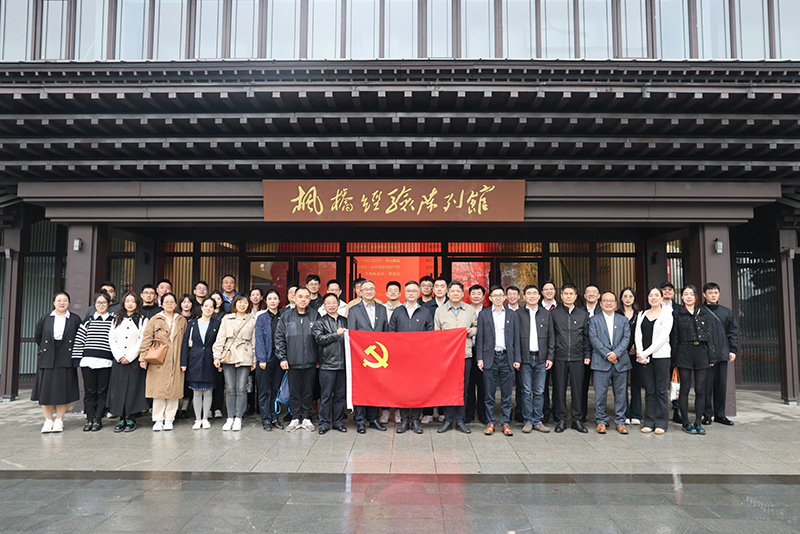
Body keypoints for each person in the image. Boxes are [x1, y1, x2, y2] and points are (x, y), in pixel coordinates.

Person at [32, 292, 83, 433]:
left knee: (62, 390)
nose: (62, 303)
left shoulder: (74, 319)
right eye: (59, 300)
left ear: (69, 303)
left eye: (65, 300)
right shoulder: (45, 318)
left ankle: (59, 420)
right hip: (48, 356)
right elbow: (38, 336)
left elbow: (80, 338)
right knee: (46, 391)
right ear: (54, 302)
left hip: (66, 356)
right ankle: (48, 420)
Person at [389, 281, 434, 434]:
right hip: (400, 358)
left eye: (414, 291)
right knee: (402, 390)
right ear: (404, 293)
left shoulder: (425, 312)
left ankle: (415, 420)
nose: (411, 293)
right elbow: (391, 333)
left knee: (417, 389)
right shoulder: (397, 311)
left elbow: (430, 334)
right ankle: (404, 420)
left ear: (418, 292)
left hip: (419, 358)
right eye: (408, 290)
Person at [671, 285, 716, 435]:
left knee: (700, 389)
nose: (689, 296)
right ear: (682, 297)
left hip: (701, 351)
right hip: (684, 351)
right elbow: (674, 337)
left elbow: (709, 336)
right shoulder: (677, 313)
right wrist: (674, 358)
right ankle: (685, 422)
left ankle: (698, 422)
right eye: (686, 294)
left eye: (691, 294)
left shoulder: (703, 312)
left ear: (696, 297)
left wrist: (711, 355)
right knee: (684, 388)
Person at [434, 281, 478, 434]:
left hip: (465, 355)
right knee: (446, 388)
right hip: (446, 357)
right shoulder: (440, 311)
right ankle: (447, 420)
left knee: (463, 388)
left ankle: (460, 420)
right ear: (448, 293)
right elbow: (436, 333)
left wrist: (469, 332)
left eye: (458, 291)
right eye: (452, 291)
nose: (455, 294)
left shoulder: (470, 310)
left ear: (462, 293)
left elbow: (476, 327)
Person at [139, 293, 187, 431]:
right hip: (159, 359)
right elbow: (147, 338)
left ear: (176, 304)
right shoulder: (155, 319)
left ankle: (169, 419)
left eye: (172, 302)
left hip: (175, 359)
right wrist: (143, 357)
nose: (169, 304)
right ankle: (158, 419)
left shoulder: (181, 320)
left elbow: (184, 342)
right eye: (167, 302)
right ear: (162, 304)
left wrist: (183, 361)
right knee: (158, 390)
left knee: (173, 390)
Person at [477, 285, 521, 436]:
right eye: (494, 295)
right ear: (490, 298)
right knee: (489, 394)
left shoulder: (512, 315)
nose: (497, 298)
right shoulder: (484, 314)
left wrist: (517, 358)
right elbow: (480, 337)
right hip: (490, 358)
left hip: (507, 358)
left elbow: (516, 339)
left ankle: (505, 423)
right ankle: (490, 422)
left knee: (507, 394)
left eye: (500, 295)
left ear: (504, 298)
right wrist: (480, 358)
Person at [347, 279, 389, 433]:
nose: (369, 292)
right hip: (361, 357)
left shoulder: (382, 309)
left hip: (378, 357)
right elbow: (351, 333)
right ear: (360, 292)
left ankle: (374, 419)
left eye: (372, 289)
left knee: (376, 388)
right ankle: (360, 421)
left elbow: (385, 332)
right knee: (361, 388)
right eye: (366, 289)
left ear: (375, 291)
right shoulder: (353, 310)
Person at [275, 286, 319, 432]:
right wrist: (282, 358)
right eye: (300, 296)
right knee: (294, 392)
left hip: (310, 361)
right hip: (292, 361)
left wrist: (319, 358)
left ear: (309, 299)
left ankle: (306, 418)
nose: (303, 299)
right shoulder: (286, 316)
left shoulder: (315, 315)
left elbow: (320, 338)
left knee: (308, 391)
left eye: (306, 297)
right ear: (294, 298)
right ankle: (294, 418)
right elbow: (279, 338)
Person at [550, 283, 591, 433]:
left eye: (571, 294)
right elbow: (551, 336)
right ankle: (561, 419)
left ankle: (577, 420)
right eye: (565, 294)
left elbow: (586, 337)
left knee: (578, 390)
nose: (568, 296)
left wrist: (587, 354)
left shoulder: (582, 314)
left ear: (575, 296)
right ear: (561, 296)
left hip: (577, 357)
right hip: (559, 357)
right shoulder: (554, 314)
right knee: (559, 389)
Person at [589, 291, 632, 435]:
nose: (608, 303)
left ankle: (620, 422)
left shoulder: (623, 320)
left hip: (620, 362)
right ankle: (601, 421)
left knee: (621, 394)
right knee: (600, 394)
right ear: (600, 303)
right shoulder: (594, 320)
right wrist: (608, 354)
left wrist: (616, 354)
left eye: (611, 301)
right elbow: (594, 339)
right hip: (601, 362)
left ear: (615, 303)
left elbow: (626, 338)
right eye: (605, 301)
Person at [73, 292, 116, 432]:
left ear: (109, 304)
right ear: (94, 304)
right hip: (88, 361)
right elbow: (79, 341)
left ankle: (98, 419)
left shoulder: (114, 320)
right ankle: (89, 419)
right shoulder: (88, 320)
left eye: (104, 302)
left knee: (102, 392)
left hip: (106, 361)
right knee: (89, 392)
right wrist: (77, 359)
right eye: (98, 303)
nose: (101, 305)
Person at [212, 294, 256, 431]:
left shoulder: (251, 320)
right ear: (234, 304)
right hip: (229, 356)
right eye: (239, 302)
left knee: (241, 389)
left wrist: (254, 360)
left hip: (245, 356)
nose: (242, 305)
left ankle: (238, 418)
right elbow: (220, 339)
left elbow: (254, 342)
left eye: (245, 302)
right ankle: (230, 417)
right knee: (230, 389)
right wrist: (217, 356)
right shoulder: (226, 318)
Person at [107, 291, 149, 433]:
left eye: (133, 301)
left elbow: (142, 340)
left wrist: (130, 356)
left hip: (134, 360)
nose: (130, 304)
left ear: (137, 303)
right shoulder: (116, 319)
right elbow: (112, 338)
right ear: (123, 303)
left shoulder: (142, 320)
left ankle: (131, 418)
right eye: (127, 301)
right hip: (119, 360)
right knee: (119, 390)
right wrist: (119, 356)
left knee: (133, 389)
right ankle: (121, 418)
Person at [516, 284, 554, 433]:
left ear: (539, 296)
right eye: (529, 293)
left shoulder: (546, 314)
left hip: (541, 358)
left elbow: (551, 338)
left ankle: (538, 420)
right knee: (526, 391)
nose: (532, 296)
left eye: (534, 293)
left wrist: (550, 357)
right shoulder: (518, 314)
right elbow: (514, 339)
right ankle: (527, 420)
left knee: (539, 391)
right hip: (525, 358)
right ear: (523, 297)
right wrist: (517, 358)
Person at [634, 287, 673, 434]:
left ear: (662, 297)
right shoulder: (642, 314)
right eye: (651, 295)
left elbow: (662, 339)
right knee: (649, 390)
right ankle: (649, 421)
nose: (654, 298)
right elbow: (638, 335)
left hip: (661, 357)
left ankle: (661, 423)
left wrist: (644, 353)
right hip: (644, 358)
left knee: (661, 390)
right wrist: (640, 354)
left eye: (657, 295)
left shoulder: (667, 315)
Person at [702, 282, 739, 427]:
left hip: (722, 353)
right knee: (706, 386)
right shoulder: (700, 312)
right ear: (704, 294)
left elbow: (733, 332)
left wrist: (733, 350)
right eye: (710, 292)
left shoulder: (727, 312)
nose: (713, 295)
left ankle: (720, 414)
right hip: (705, 355)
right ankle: (706, 415)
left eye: (715, 292)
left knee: (721, 385)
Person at [181, 297, 220, 430]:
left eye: (211, 307)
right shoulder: (192, 323)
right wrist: (183, 362)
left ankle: (205, 419)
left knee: (208, 391)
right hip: (194, 360)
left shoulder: (217, 324)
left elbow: (219, 343)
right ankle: (198, 419)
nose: (208, 309)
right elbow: (185, 343)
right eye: (206, 306)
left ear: (214, 309)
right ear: (201, 307)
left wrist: (219, 360)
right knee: (196, 392)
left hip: (210, 360)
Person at [313, 293, 349, 434]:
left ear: (338, 304)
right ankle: (324, 423)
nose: (332, 305)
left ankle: (338, 422)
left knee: (340, 396)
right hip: (327, 365)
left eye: (334, 302)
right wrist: (336, 334)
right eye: (328, 303)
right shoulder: (320, 322)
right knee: (326, 396)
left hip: (343, 365)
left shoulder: (345, 321)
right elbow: (319, 339)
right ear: (324, 305)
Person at [254, 289, 285, 431]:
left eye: (275, 298)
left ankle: (274, 418)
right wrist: (262, 358)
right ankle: (265, 419)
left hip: (280, 358)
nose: (273, 301)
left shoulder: (284, 316)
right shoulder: (261, 317)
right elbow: (259, 339)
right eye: (270, 299)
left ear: (279, 300)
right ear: (265, 301)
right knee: (264, 391)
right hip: (265, 358)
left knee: (275, 390)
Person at [618, 287, 642, 425]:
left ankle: (636, 414)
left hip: (635, 352)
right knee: (621, 385)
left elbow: (642, 333)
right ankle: (625, 414)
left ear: (634, 298)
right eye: (625, 296)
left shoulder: (640, 315)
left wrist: (635, 346)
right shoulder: (616, 314)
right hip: (620, 353)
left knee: (636, 383)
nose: (628, 299)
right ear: (621, 298)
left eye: (630, 296)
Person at [465, 284, 487, 425]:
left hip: (484, 352)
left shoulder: (487, 312)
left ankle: (483, 414)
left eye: (479, 293)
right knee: (468, 384)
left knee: (483, 384)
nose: (476, 296)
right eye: (473, 293)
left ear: (483, 296)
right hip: (468, 351)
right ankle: (469, 414)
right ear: (469, 296)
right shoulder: (465, 311)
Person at [579, 284, 600, 424]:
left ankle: (601, 416)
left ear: (598, 295)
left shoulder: (604, 311)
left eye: (594, 292)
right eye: (588, 292)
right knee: (582, 385)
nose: (591, 294)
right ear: (584, 295)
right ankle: (581, 415)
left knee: (600, 387)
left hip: (600, 353)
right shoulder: (579, 311)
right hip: (583, 353)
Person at [539, 280, 558, 423]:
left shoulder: (561, 308)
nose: (549, 291)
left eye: (551, 289)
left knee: (558, 383)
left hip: (559, 351)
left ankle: (557, 411)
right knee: (542, 384)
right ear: (541, 293)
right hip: (542, 351)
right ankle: (544, 411)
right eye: (546, 289)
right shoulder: (537, 308)